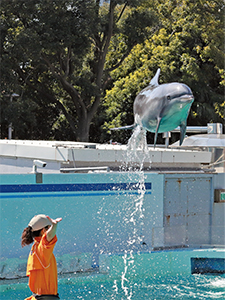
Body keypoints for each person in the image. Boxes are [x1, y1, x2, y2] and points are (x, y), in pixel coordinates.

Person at [21, 214, 62, 300]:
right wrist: (54, 226)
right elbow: (48, 238)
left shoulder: (35, 248)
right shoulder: (42, 248)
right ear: (44, 231)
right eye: (49, 227)